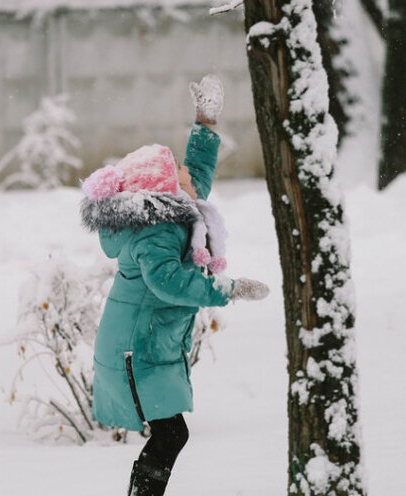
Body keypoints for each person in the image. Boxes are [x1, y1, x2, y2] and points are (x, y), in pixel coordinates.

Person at [79, 74, 270, 496]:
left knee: (170, 435)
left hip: (146, 342)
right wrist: (228, 288)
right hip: (137, 348)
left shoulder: (172, 211)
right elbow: (167, 282)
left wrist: (206, 120)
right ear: (162, 190)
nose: (188, 176)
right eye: (177, 174)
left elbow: (197, 170)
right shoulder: (158, 232)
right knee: (171, 435)